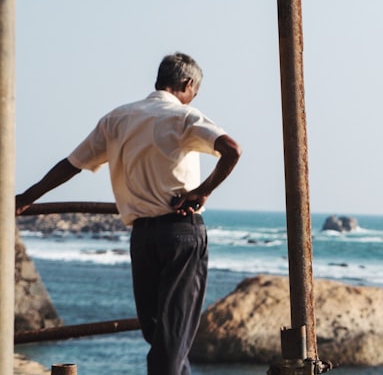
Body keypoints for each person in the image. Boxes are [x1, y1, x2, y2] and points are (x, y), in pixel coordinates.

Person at [15, 52, 241, 375]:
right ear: (187, 84)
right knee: (171, 339)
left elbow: (72, 164)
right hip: (181, 233)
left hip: (142, 236)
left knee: (158, 335)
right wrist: (203, 191)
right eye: (195, 92)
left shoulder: (117, 119)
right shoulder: (183, 117)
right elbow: (232, 150)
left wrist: (27, 197)